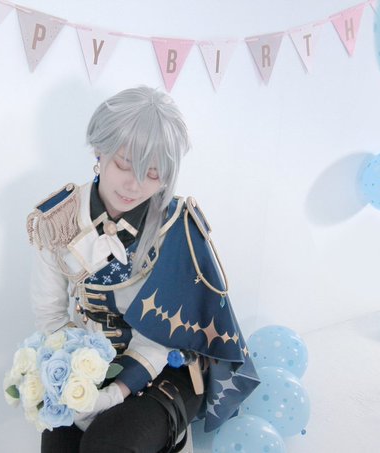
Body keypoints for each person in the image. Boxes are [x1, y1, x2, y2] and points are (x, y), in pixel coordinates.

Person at [26, 86, 259, 453]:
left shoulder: (176, 227)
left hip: (169, 362)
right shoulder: (59, 220)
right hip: (91, 361)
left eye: (153, 174)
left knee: (109, 445)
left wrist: (113, 393)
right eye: (124, 165)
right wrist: (77, 373)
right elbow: (50, 313)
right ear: (99, 149)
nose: (135, 185)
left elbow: (160, 336)